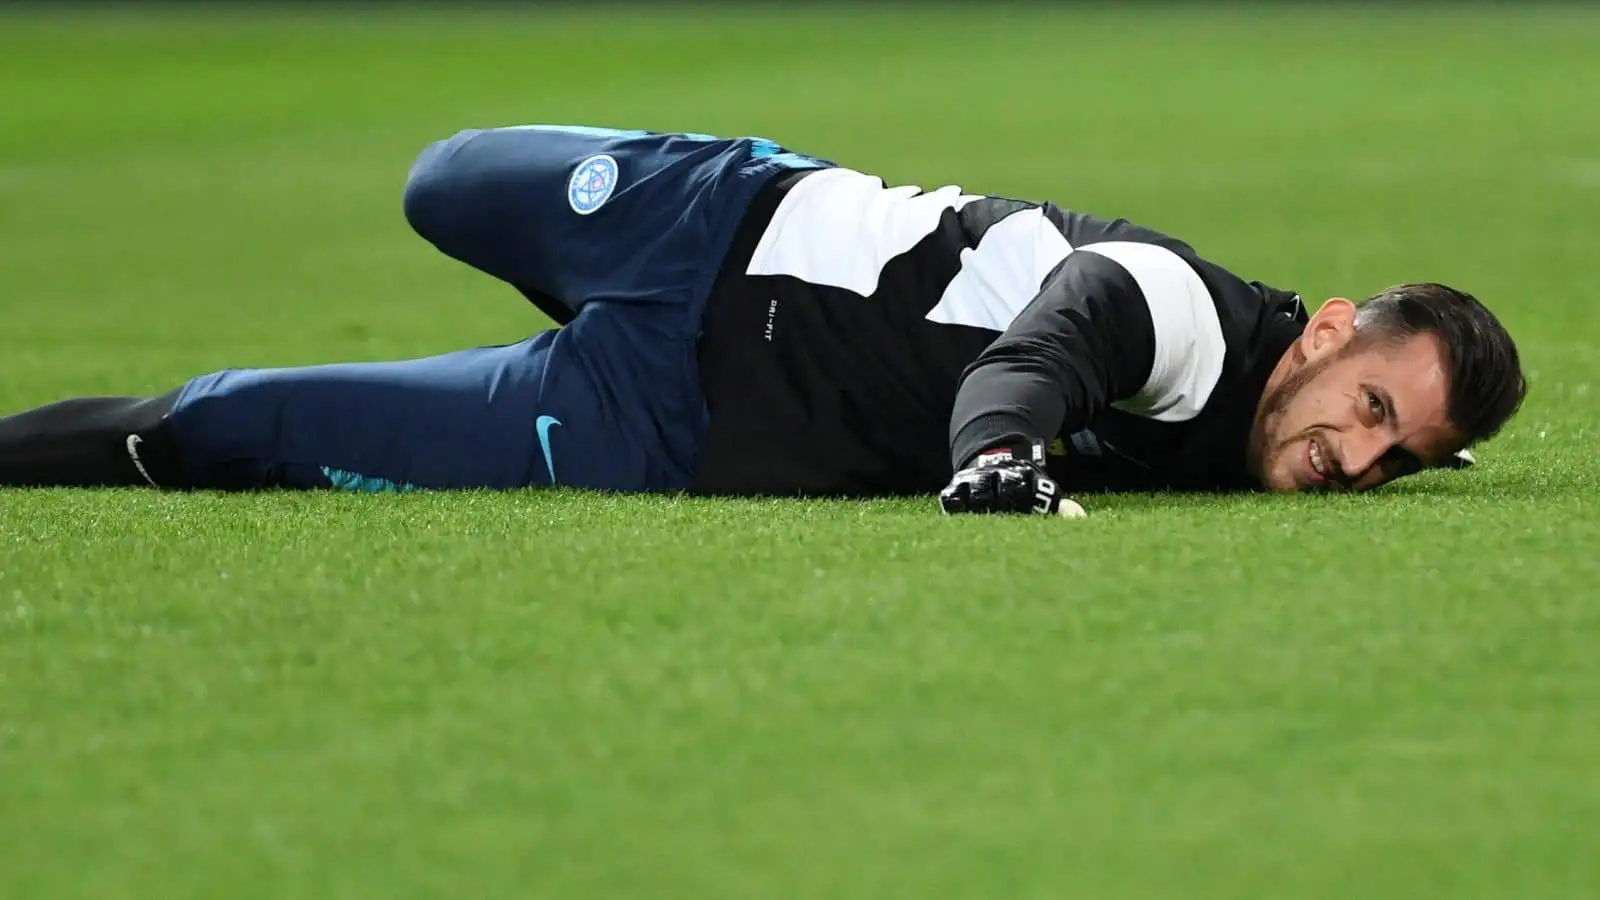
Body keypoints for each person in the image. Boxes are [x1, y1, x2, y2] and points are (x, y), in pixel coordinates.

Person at [0, 124, 1526, 516]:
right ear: (1326, 331)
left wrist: (1426, 449)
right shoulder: (1183, 314)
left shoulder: (1279, 435)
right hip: (717, 212)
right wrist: (999, 457)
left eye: (1395, 460)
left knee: (238, 423)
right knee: (441, 181)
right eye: (1372, 411)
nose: (1356, 457)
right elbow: (1044, 350)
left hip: (666, 422)